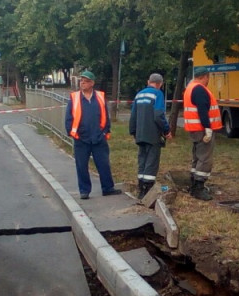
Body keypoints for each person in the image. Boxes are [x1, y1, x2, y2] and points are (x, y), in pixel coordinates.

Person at [64, 70, 121, 199]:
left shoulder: (100, 97)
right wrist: (72, 133)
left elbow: (105, 116)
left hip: (98, 137)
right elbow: (69, 117)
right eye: (81, 81)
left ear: (92, 83)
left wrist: (106, 131)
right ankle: (84, 191)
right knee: (81, 166)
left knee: (103, 164)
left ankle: (108, 188)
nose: (83, 83)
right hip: (81, 138)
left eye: (86, 81)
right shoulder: (75, 97)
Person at [129, 73, 172, 198]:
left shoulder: (139, 94)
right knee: (152, 160)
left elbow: (133, 116)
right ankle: (148, 190)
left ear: (149, 82)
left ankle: (141, 187)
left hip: (140, 133)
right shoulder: (157, 94)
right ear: (160, 84)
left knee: (142, 159)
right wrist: (166, 130)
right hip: (153, 133)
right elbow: (159, 115)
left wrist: (133, 132)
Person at [182, 69, 223, 200]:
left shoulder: (190, 87)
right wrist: (208, 128)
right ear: (205, 77)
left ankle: (194, 185)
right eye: (208, 78)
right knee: (205, 158)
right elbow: (203, 110)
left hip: (194, 129)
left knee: (197, 157)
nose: (208, 80)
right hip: (201, 129)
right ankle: (199, 187)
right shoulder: (199, 89)